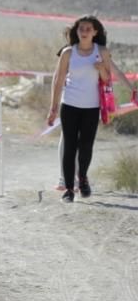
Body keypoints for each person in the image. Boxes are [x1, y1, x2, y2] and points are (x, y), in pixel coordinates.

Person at [46, 15, 134, 202]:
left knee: (85, 146)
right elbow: (58, 78)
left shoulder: (101, 51)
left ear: (95, 32)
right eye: (81, 28)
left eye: (88, 28)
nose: (84, 31)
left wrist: (132, 89)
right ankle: (68, 187)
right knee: (69, 145)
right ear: (76, 32)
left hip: (91, 107)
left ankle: (83, 178)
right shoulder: (68, 52)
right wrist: (53, 107)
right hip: (69, 104)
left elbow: (110, 75)